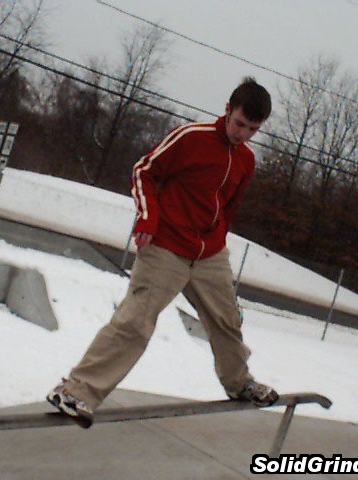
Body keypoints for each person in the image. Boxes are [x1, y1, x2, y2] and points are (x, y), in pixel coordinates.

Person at [47, 77, 278, 427]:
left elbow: (227, 208)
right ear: (227, 110)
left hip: (210, 254)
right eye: (239, 124)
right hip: (166, 245)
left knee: (226, 321)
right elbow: (144, 171)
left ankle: (240, 383)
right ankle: (78, 391)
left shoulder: (245, 160)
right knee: (135, 321)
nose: (243, 134)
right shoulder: (191, 137)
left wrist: (219, 242)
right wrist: (147, 218)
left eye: (252, 129)